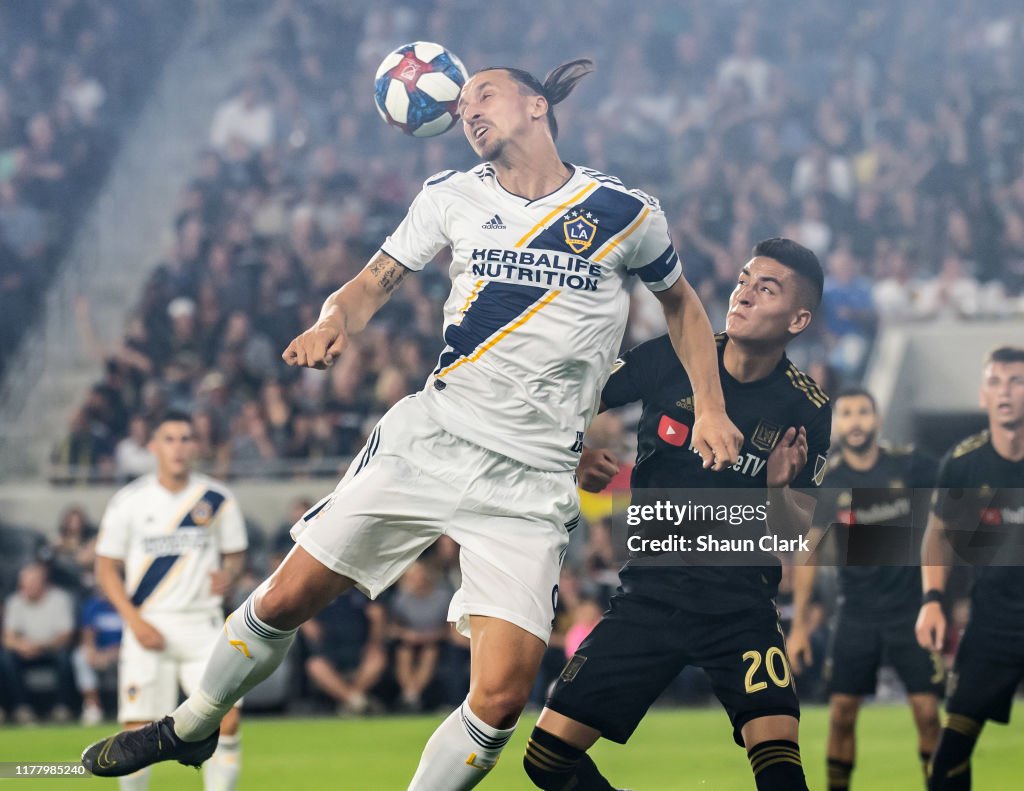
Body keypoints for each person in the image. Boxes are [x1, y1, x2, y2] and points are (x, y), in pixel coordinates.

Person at [82, 59, 743, 790]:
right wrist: (335, 319)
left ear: (536, 105)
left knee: (498, 699)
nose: (470, 111)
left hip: (532, 479)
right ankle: (191, 725)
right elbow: (371, 281)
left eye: (484, 95)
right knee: (283, 598)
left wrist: (710, 407)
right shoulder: (450, 197)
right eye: (461, 107)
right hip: (434, 436)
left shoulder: (625, 210)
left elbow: (682, 306)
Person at [527, 238, 830, 791]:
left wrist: (778, 489)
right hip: (650, 596)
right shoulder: (669, 356)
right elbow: (560, 406)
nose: (744, 294)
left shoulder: (807, 408)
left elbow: (789, 538)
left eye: (767, 288)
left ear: (799, 318)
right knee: (545, 760)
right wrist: (573, 457)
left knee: (781, 765)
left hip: (740, 607)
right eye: (744, 280)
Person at [787, 387, 942, 790]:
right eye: (848, 414)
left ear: (876, 420)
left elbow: (955, 484)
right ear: (840, 424)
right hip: (855, 612)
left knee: (927, 713)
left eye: (863, 413)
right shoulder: (830, 481)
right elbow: (808, 552)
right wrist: (800, 626)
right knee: (841, 714)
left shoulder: (909, 467)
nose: (856, 422)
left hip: (909, 610)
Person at [89, 411, 248, 791]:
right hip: (149, 624)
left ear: (196, 446)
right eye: (170, 439)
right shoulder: (128, 501)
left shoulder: (216, 498)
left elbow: (236, 555)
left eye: (185, 439)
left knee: (226, 721)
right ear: (153, 447)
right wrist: (134, 621)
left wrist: (230, 576)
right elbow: (106, 568)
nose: (178, 447)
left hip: (203, 625)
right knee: (136, 733)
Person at [915, 346, 1024, 791]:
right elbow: (937, 535)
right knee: (949, 759)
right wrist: (933, 601)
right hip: (994, 620)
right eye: (996, 382)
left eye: (1016, 381)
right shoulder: (963, 464)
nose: (1006, 392)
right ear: (983, 395)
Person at [0, 561, 77, 724]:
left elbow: (65, 636)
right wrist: (22, 646)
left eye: (32, 583)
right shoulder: (15, 601)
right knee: (6, 658)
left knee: (65, 656)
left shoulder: (60, 599)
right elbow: (8, 638)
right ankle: (22, 708)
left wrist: (40, 646)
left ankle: (62, 708)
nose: (27, 587)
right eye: (24, 584)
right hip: (25, 650)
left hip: (52, 649)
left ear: (43, 583)